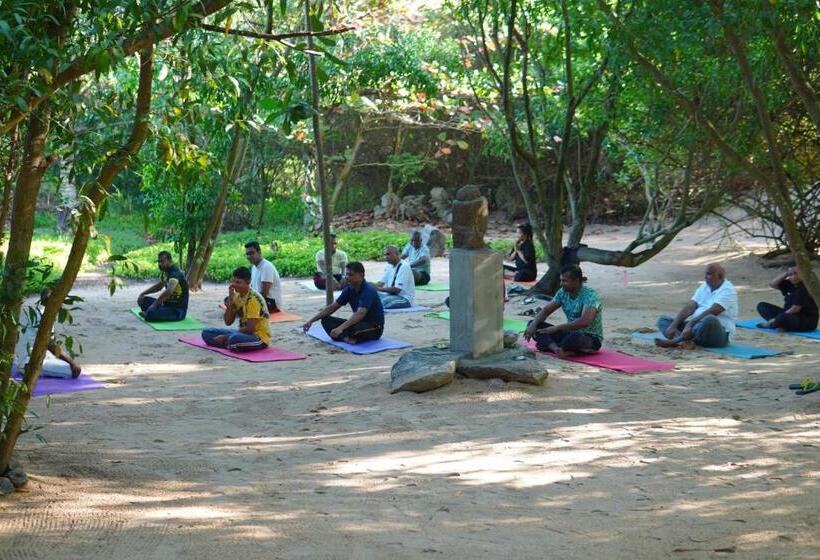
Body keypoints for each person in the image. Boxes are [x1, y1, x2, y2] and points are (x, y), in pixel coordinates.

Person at [523, 265, 603, 356]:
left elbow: (585, 321)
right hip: (569, 333)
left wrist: (557, 328)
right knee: (534, 324)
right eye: (561, 280)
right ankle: (557, 349)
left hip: (589, 338)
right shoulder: (563, 292)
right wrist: (533, 325)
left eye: (564, 281)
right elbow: (546, 310)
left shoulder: (590, 295)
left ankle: (552, 346)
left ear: (576, 281)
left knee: (576, 337)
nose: (561, 283)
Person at [655, 263, 738, 349]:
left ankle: (677, 340)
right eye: (706, 274)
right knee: (663, 320)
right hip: (696, 328)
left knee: (710, 319)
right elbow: (691, 305)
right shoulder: (705, 286)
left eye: (709, 274)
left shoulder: (728, 290)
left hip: (717, 333)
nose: (705, 277)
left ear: (720, 276)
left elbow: (713, 311)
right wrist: (674, 325)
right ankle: (685, 341)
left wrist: (690, 324)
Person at [302, 261, 384, 343]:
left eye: (351, 275)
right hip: (358, 323)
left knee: (352, 329)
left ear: (361, 275)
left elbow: (360, 313)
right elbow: (332, 307)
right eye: (346, 274)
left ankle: (344, 336)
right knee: (326, 320)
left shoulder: (368, 290)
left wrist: (341, 328)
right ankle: (346, 338)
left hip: (374, 327)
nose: (347, 277)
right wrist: (311, 321)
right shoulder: (349, 289)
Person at [14, 289, 82, 379]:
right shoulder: (41, 316)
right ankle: (30, 369)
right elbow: (50, 344)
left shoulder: (35, 310)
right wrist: (71, 362)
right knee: (74, 370)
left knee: (62, 362)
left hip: (35, 355)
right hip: (28, 361)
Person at [202, 267, 271, 352]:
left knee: (233, 339)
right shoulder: (237, 296)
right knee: (206, 333)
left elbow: (250, 329)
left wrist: (227, 336)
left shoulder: (253, 299)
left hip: (258, 337)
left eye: (238, 282)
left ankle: (228, 342)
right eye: (233, 281)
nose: (234, 284)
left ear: (248, 282)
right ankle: (229, 344)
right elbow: (228, 322)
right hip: (242, 333)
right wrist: (231, 300)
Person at [757, 266, 818, 332]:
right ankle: (780, 324)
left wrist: (776, 318)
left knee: (783, 317)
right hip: (789, 314)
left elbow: (795, 309)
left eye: (796, 273)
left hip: (805, 321)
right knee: (762, 306)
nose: (793, 277)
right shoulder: (790, 283)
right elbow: (772, 284)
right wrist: (786, 274)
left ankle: (772, 324)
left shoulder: (804, 288)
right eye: (791, 274)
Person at [137, 251, 189, 322]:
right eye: (159, 261)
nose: (160, 264)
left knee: (152, 313)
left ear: (169, 261)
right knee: (143, 300)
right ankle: (150, 313)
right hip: (166, 306)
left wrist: (154, 305)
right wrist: (142, 294)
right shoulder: (166, 272)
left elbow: (169, 291)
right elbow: (158, 287)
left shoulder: (175, 273)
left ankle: (150, 314)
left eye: (162, 261)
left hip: (177, 311)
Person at [244, 240, 282, 313]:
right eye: (247, 254)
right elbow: (252, 288)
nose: (249, 256)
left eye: (252, 253)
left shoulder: (266, 267)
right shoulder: (254, 267)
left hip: (270, 303)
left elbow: (264, 294)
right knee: (232, 300)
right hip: (258, 299)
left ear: (259, 252)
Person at [376, 245, 415, 309]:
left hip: (404, 298)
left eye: (388, 254)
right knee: (372, 295)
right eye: (385, 255)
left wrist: (379, 289)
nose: (386, 257)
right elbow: (380, 283)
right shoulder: (389, 267)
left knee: (381, 303)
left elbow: (397, 290)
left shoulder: (404, 266)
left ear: (397, 254)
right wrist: (369, 287)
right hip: (391, 296)